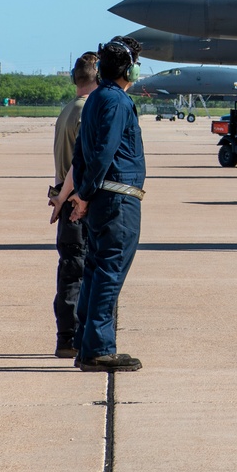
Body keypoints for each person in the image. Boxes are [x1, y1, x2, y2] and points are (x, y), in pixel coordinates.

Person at [66, 36, 146, 372]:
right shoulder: (116, 102)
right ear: (129, 68)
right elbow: (103, 152)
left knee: (97, 270)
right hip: (118, 200)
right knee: (109, 272)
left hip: (101, 198)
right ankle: (98, 347)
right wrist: (85, 193)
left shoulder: (97, 98)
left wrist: (83, 193)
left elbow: (82, 153)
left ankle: (87, 343)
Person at [47, 51, 97, 357]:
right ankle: (76, 336)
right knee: (80, 270)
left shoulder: (67, 110)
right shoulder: (89, 112)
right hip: (79, 201)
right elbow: (81, 163)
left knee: (68, 271)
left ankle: (65, 336)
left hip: (65, 201)